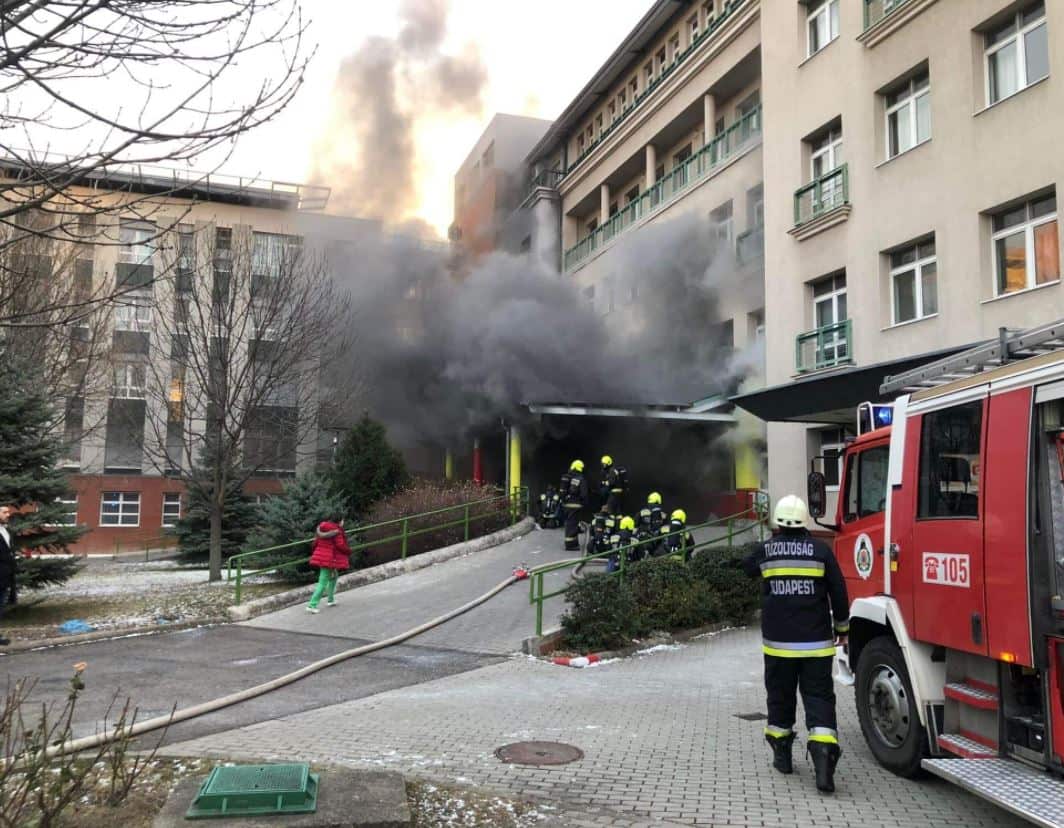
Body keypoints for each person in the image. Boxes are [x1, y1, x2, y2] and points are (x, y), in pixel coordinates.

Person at [741, 495, 850, 794]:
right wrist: (842, 627)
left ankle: (783, 756)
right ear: (805, 520)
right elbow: (839, 592)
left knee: (780, 698)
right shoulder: (821, 550)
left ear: (777, 521)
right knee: (818, 699)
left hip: (778, 646)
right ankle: (825, 766)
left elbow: (745, 566)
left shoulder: (767, 551)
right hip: (816, 645)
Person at [306, 516, 352, 613]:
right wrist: (348, 551)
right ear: (339, 521)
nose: (343, 522)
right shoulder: (337, 531)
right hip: (329, 558)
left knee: (334, 576)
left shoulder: (322, 529)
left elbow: (314, 543)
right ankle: (312, 605)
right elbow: (341, 545)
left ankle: (330, 600)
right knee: (322, 582)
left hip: (324, 557)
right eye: (343, 520)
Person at [560, 460, 589, 552]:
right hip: (576, 505)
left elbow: (562, 492)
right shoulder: (580, 479)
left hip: (567, 505)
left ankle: (574, 543)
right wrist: (585, 503)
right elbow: (584, 494)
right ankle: (570, 545)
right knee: (573, 524)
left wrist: (564, 501)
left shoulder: (566, 477)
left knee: (570, 523)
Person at [0, 505, 15, 646]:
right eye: (4, 512)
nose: (8, 514)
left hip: (4, 577)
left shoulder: (5, 530)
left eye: (8, 512)